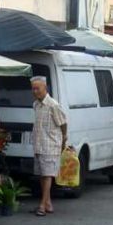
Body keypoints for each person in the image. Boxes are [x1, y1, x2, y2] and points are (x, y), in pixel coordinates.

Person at [31, 76, 68, 213]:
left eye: (37, 88)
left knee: (47, 175)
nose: (35, 91)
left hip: (50, 144)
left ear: (45, 88)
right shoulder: (36, 104)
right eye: (33, 89)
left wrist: (63, 139)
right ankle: (48, 203)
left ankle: (42, 205)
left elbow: (63, 123)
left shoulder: (53, 105)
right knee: (42, 175)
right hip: (39, 144)